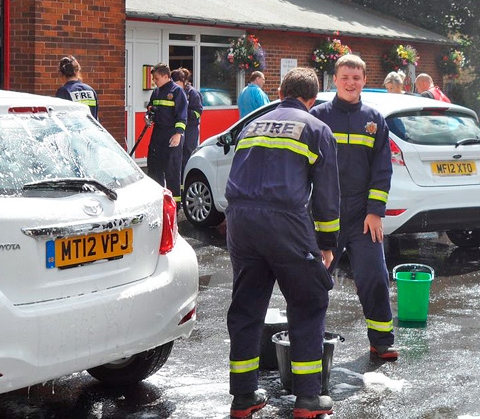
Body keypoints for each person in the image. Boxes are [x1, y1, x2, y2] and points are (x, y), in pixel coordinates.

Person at [226, 67, 340, 419]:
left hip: (240, 221)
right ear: (313, 98)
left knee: (246, 306)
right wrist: (326, 242)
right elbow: (326, 195)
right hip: (284, 220)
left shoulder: (252, 124)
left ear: (279, 91)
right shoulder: (316, 128)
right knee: (308, 301)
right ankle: (307, 399)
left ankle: (243, 397)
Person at [310, 54, 398, 362]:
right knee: (312, 282)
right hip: (324, 217)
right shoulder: (318, 116)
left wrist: (375, 211)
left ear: (364, 81)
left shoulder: (374, 120)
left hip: (363, 218)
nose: (351, 83)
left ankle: (382, 341)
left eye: (357, 78)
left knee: (374, 276)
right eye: (345, 77)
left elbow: (382, 169)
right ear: (334, 80)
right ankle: (307, 344)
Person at [146, 63, 187, 205]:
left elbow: (182, 116)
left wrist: (178, 134)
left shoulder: (177, 92)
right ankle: (157, 201)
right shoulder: (156, 92)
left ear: (165, 76)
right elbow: (151, 108)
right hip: (158, 134)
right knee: (154, 167)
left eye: (156, 78)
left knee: (172, 170)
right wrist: (149, 116)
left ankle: (174, 205)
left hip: (172, 135)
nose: (154, 81)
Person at [170, 67, 204, 178]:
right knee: (176, 156)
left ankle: (187, 178)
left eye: (176, 82)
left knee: (188, 154)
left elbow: (198, 112)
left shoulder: (193, 93)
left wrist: (184, 113)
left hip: (190, 129)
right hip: (178, 128)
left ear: (182, 81)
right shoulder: (174, 92)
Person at [55, 55, 99, 120]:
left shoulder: (63, 91)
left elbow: (60, 117)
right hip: (91, 129)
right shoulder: (90, 90)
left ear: (62, 74)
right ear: (77, 71)